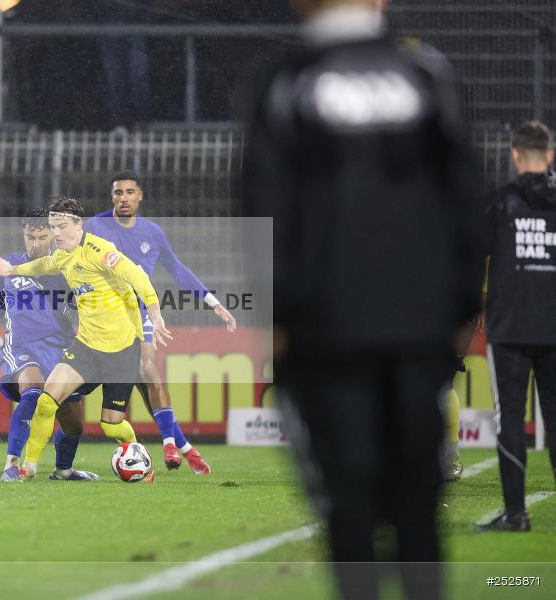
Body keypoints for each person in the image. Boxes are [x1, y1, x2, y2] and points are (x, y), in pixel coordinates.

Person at [242, 1, 485, 598]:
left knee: (347, 499)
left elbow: (264, 205)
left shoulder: (285, 79)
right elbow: (465, 197)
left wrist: (274, 316)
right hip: (419, 320)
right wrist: (459, 307)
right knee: (417, 498)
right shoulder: (425, 74)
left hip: (328, 324)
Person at [0, 196, 172, 479]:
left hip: (121, 351)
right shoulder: (62, 255)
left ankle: (137, 455)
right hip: (85, 346)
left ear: (78, 225)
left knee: (111, 425)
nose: (56, 233)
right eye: (52, 227)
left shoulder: (100, 251)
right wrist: (12, 270)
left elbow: (137, 277)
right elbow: (43, 265)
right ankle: (28, 468)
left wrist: (155, 314)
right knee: (47, 402)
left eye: (61, 227)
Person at [85, 171, 236, 473]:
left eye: (129, 192)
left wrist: (214, 303)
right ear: (111, 196)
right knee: (133, 385)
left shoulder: (152, 233)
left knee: (147, 368)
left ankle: (169, 442)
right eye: (117, 193)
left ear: (140, 195)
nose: (123, 198)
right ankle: (184, 446)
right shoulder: (93, 228)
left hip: (137, 315)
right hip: (100, 317)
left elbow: (178, 269)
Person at [0, 209, 98, 482]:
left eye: (42, 237)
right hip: (21, 345)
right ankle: (11, 466)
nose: (35, 244)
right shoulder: (8, 266)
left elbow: (85, 306)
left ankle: (63, 470)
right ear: (23, 233)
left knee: (73, 419)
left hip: (59, 346)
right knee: (32, 388)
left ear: (53, 235)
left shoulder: (65, 267)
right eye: (30, 237)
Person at [476, 120, 556, 532]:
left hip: (509, 328)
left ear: (514, 154)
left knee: (510, 418)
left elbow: (471, 259)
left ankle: (515, 514)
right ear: (550, 155)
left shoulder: (500, 202)